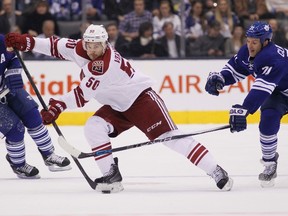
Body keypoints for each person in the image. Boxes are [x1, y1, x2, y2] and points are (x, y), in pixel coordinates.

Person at [5, 24, 233, 193]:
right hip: (117, 106)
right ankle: (110, 175)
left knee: (171, 138)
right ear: (85, 42)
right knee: (93, 127)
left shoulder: (105, 64)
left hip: (142, 100)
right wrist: (27, 42)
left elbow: (82, 94)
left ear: (105, 44)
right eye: (90, 44)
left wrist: (58, 106)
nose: (93, 49)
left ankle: (215, 170)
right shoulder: (80, 47)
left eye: (98, 45)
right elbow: (55, 45)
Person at [204, 21, 287, 188]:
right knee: (267, 122)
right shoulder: (248, 51)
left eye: (254, 42)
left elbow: (261, 89)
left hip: (275, 89)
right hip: (280, 94)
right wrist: (220, 78)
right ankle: (270, 163)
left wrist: (244, 109)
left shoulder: (274, 57)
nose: (250, 45)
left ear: (266, 42)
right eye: (248, 41)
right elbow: (235, 69)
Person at [0, 34, 71, 179]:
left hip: (7, 88)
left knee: (33, 116)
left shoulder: (1, 40)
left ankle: (49, 155)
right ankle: (19, 165)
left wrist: (13, 72)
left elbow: (13, 58)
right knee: (16, 129)